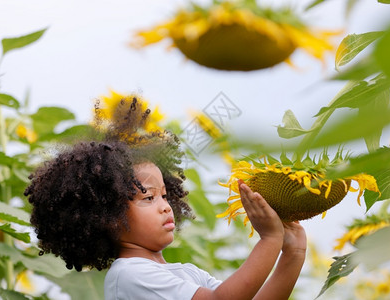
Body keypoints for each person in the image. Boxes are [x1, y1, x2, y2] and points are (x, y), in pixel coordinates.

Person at [25, 98, 307, 300]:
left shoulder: (186, 274)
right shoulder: (130, 275)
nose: (164, 206)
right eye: (147, 198)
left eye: (164, 195)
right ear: (107, 217)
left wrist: (291, 255)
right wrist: (269, 240)